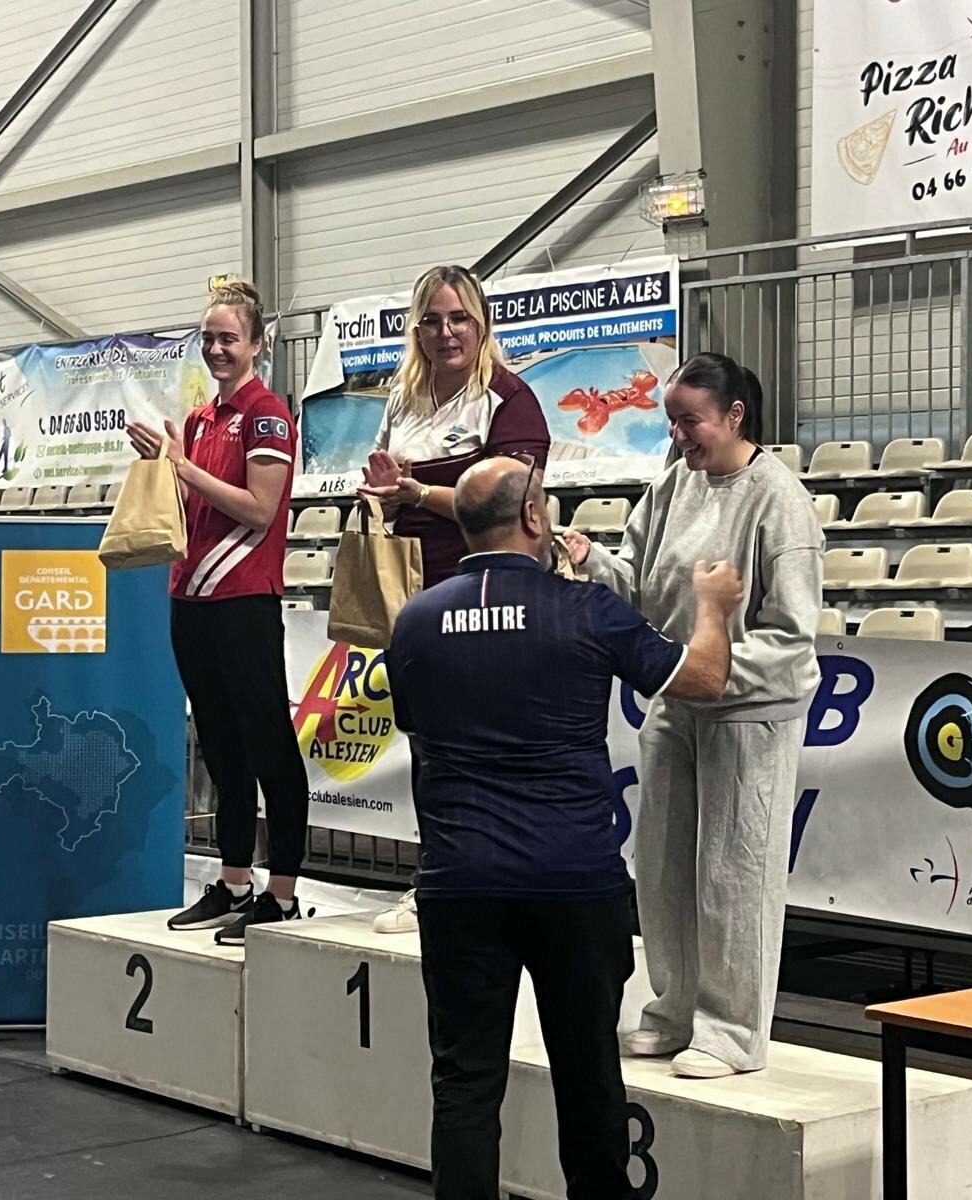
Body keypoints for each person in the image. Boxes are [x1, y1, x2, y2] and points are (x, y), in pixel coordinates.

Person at [387, 455, 743, 1200]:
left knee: (464, 1080)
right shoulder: (584, 609)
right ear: (533, 517)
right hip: (572, 878)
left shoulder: (415, 620)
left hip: (459, 881)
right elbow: (705, 680)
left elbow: (418, 727)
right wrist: (712, 606)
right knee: (588, 1074)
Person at [562, 352, 824, 1080]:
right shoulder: (672, 484)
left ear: (734, 415)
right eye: (672, 422)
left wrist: (712, 667)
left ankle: (732, 1030)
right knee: (663, 865)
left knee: (735, 871)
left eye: (691, 421)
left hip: (751, 711)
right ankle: (674, 1009)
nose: (679, 435)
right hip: (676, 699)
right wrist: (592, 561)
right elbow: (639, 585)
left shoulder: (780, 501)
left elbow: (792, 633)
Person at [360, 264, 551, 934]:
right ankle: (436, 878)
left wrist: (417, 493)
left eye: (459, 318)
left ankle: (509, 880)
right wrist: (384, 496)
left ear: (481, 322)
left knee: (491, 741)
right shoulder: (402, 401)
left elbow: (511, 502)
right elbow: (387, 483)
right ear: (417, 331)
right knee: (428, 744)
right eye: (433, 321)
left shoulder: (509, 398)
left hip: (490, 593)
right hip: (417, 596)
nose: (446, 333)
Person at [127, 279, 307, 946]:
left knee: (268, 745)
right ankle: (234, 883)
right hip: (191, 599)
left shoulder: (267, 415)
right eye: (207, 338)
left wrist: (184, 468)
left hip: (244, 600)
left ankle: (282, 894)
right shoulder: (202, 420)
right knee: (221, 746)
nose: (216, 348)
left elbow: (260, 509)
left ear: (257, 344)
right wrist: (164, 466)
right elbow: (192, 505)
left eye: (229, 338)